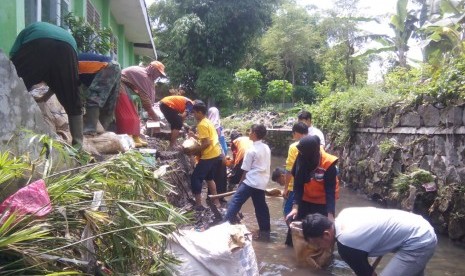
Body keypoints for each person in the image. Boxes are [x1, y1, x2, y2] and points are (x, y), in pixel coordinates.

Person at [302, 207, 437, 276]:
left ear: (326, 234)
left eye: (318, 244)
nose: (320, 248)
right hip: (418, 225)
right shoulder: (346, 214)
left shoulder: (345, 245)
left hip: (418, 241)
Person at [10, 22, 83, 147]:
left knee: (12, 86)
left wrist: (19, 82)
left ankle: (9, 129)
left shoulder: (30, 29)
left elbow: (12, 58)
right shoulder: (67, 36)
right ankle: (78, 146)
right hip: (68, 48)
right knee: (72, 98)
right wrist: (45, 97)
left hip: (37, 43)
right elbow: (61, 82)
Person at [224, 124, 271, 238]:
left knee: (234, 202)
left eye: (250, 131)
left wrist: (240, 184)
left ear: (254, 134)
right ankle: (265, 231)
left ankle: (224, 226)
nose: (248, 133)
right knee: (261, 207)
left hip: (251, 181)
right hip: (261, 182)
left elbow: (245, 171)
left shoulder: (251, 150)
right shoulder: (266, 148)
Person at [286, 135, 339, 223]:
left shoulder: (328, 163)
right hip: (305, 198)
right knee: (295, 224)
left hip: (323, 202)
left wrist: (330, 214)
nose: (302, 156)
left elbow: (330, 191)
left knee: (320, 231)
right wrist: (295, 208)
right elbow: (298, 184)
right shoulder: (301, 158)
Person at [114, 61, 166, 147]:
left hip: (126, 87)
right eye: (158, 73)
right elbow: (146, 102)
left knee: (136, 117)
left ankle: (135, 137)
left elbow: (148, 99)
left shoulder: (148, 78)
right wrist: (155, 117)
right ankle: (127, 138)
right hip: (118, 83)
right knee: (127, 115)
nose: (158, 76)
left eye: (160, 75)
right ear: (152, 69)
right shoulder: (144, 76)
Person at [189, 100, 223, 210]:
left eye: (194, 112)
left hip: (209, 155)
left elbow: (206, 143)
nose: (193, 115)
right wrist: (195, 136)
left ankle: (198, 205)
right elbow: (208, 138)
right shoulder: (207, 121)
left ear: (199, 112)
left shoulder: (202, 124)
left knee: (195, 178)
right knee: (209, 178)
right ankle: (216, 202)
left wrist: (194, 151)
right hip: (216, 153)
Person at [78, 53, 121, 135]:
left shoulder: (67, 65)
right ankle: (102, 130)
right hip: (114, 66)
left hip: (107, 67)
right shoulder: (70, 63)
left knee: (94, 97)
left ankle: (91, 128)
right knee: (109, 102)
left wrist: (45, 100)